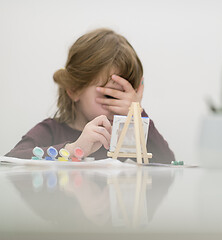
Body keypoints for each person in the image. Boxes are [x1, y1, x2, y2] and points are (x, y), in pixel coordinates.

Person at [6, 28, 175, 164]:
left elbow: (169, 167)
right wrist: (73, 150)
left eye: (125, 96)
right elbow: (10, 161)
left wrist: (137, 115)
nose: (119, 106)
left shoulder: (128, 137)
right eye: (109, 95)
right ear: (74, 89)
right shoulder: (51, 131)